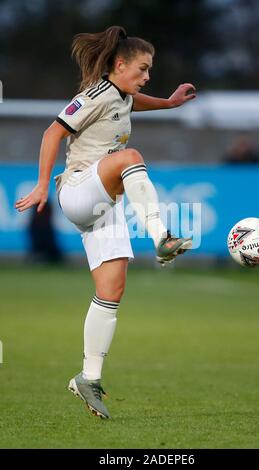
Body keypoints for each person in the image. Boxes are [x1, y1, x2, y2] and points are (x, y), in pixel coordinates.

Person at [15, 26, 196, 419]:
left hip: (104, 204)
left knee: (112, 288)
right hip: (79, 189)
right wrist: (43, 184)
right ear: (120, 64)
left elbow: (133, 102)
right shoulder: (94, 94)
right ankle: (161, 237)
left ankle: (88, 378)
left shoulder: (122, 94)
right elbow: (52, 132)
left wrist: (167, 103)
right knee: (131, 157)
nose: (147, 76)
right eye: (143, 68)